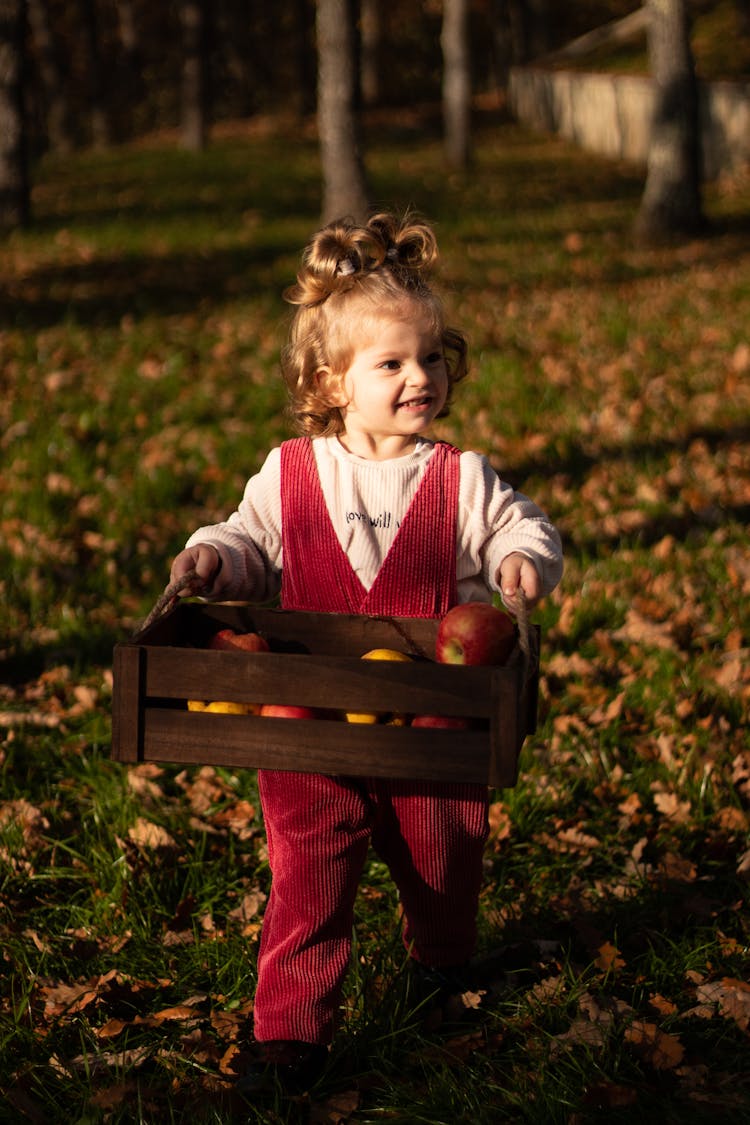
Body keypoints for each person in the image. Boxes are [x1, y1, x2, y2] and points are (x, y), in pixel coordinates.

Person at [169, 211, 563, 1094]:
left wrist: (517, 561)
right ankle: (291, 1035)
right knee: (308, 868)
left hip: (433, 719)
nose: (419, 377)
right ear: (332, 381)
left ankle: (443, 961)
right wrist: (212, 556)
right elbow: (251, 540)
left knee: (443, 852)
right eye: (391, 363)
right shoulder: (291, 471)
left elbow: (522, 527)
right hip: (307, 722)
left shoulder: (459, 477)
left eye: (430, 357)